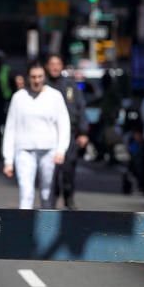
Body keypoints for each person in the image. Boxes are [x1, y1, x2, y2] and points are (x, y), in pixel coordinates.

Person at [2, 63, 70, 209]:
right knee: (26, 193)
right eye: (33, 77)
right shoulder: (19, 97)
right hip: (24, 150)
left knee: (46, 192)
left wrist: (61, 150)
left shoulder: (55, 96)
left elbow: (64, 124)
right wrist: (8, 160)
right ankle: (23, 226)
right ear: (28, 78)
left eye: (40, 77)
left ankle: (46, 225)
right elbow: (10, 128)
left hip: (48, 150)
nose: (36, 80)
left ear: (44, 77)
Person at [45, 54, 88, 209]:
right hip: (49, 135)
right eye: (52, 64)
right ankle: (52, 200)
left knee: (69, 168)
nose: (55, 67)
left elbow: (80, 107)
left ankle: (69, 197)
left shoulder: (70, 85)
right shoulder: (43, 85)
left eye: (58, 64)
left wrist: (83, 132)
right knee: (51, 171)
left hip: (69, 134)